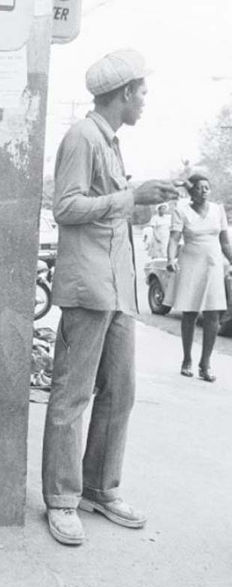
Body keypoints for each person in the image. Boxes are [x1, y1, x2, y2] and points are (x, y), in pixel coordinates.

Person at [41, 49, 179, 546]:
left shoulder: (111, 143)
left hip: (117, 289)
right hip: (88, 289)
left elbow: (113, 214)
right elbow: (67, 207)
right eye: (142, 92)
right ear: (123, 93)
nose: (144, 101)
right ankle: (61, 498)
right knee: (71, 397)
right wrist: (130, 196)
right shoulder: (82, 137)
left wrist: (145, 199)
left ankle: (99, 487)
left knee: (120, 393)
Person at [165, 173, 232, 382]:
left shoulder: (217, 210)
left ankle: (205, 363)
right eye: (199, 187)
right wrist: (170, 259)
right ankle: (187, 359)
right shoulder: (181, 210)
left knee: (213, 314)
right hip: (191, 263)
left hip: (213, 264)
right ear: (191, 190)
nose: (204, 191)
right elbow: (174, 238)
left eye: (207, 188)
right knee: (190, 313)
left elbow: (225, 243)